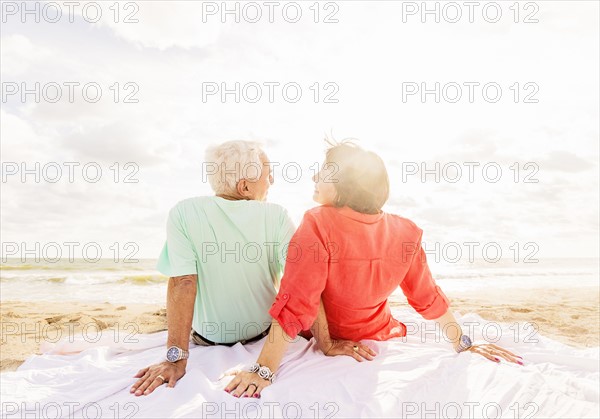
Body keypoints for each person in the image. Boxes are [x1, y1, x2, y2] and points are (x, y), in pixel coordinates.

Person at [225, 140, 522, 398]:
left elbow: (298, 302)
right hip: (377, 335)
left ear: (345, 185)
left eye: (324, 171)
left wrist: (262, 370)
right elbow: (427, 297)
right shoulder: (406, 231)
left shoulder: (316, 223)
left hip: (321, 336)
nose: (314, 175)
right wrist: (462, 343)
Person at [130, 140, 296, 396]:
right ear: (245, 186)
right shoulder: (276, 215)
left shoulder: (184, 212)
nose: (271, 179)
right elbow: (297, 283)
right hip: (262, 334)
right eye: (267, 172)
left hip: (208, 339)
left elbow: (183, 282)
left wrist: (175, 359)